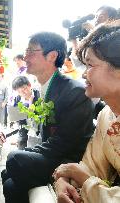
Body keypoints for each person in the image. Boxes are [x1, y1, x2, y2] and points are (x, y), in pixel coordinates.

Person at [2, 32, 95, 203]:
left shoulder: (74, 91)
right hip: (53, 153)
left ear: (52, 56)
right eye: (26, 51)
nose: (25, 56)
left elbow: (64, 143)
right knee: (9, 181)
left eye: (31, 51)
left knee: (14, 159)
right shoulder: (39, 91)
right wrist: (29, 152)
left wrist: (26, 153)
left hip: (69, 159)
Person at [53, 20, 120, 203]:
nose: (83, 74)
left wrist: (84, 179)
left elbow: (86, 175)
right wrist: (64, 180)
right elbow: (92, 166)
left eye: (90, 65)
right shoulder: (106, 115)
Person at [11, 76, 40, 149]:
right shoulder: (17, 99)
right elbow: (15, 117)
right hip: (24, 130)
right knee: (21, 150)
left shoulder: (39, 95)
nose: (23, 93)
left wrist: (31, 104)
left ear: (29, 85)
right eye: (19, 91)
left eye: (24, 89)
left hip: (39, 130)